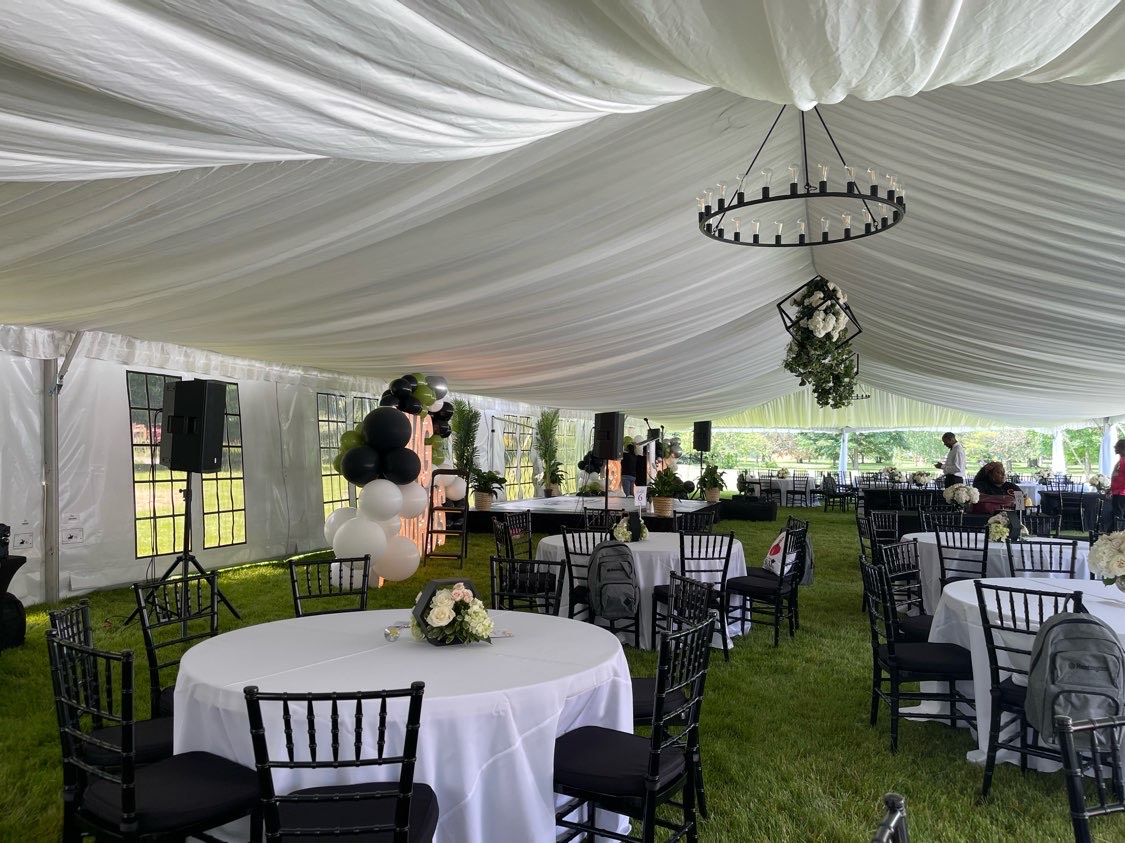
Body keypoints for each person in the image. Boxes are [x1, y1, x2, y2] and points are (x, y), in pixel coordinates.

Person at [1111, 438, 1125, 523]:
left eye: (1116, 447)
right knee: (1117, 515)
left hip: (1121, 493)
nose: (1114, 448)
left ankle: (1117, 534)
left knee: (1118, 516)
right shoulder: (1121, 460)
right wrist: (1110, 489)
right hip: (1117, 492)